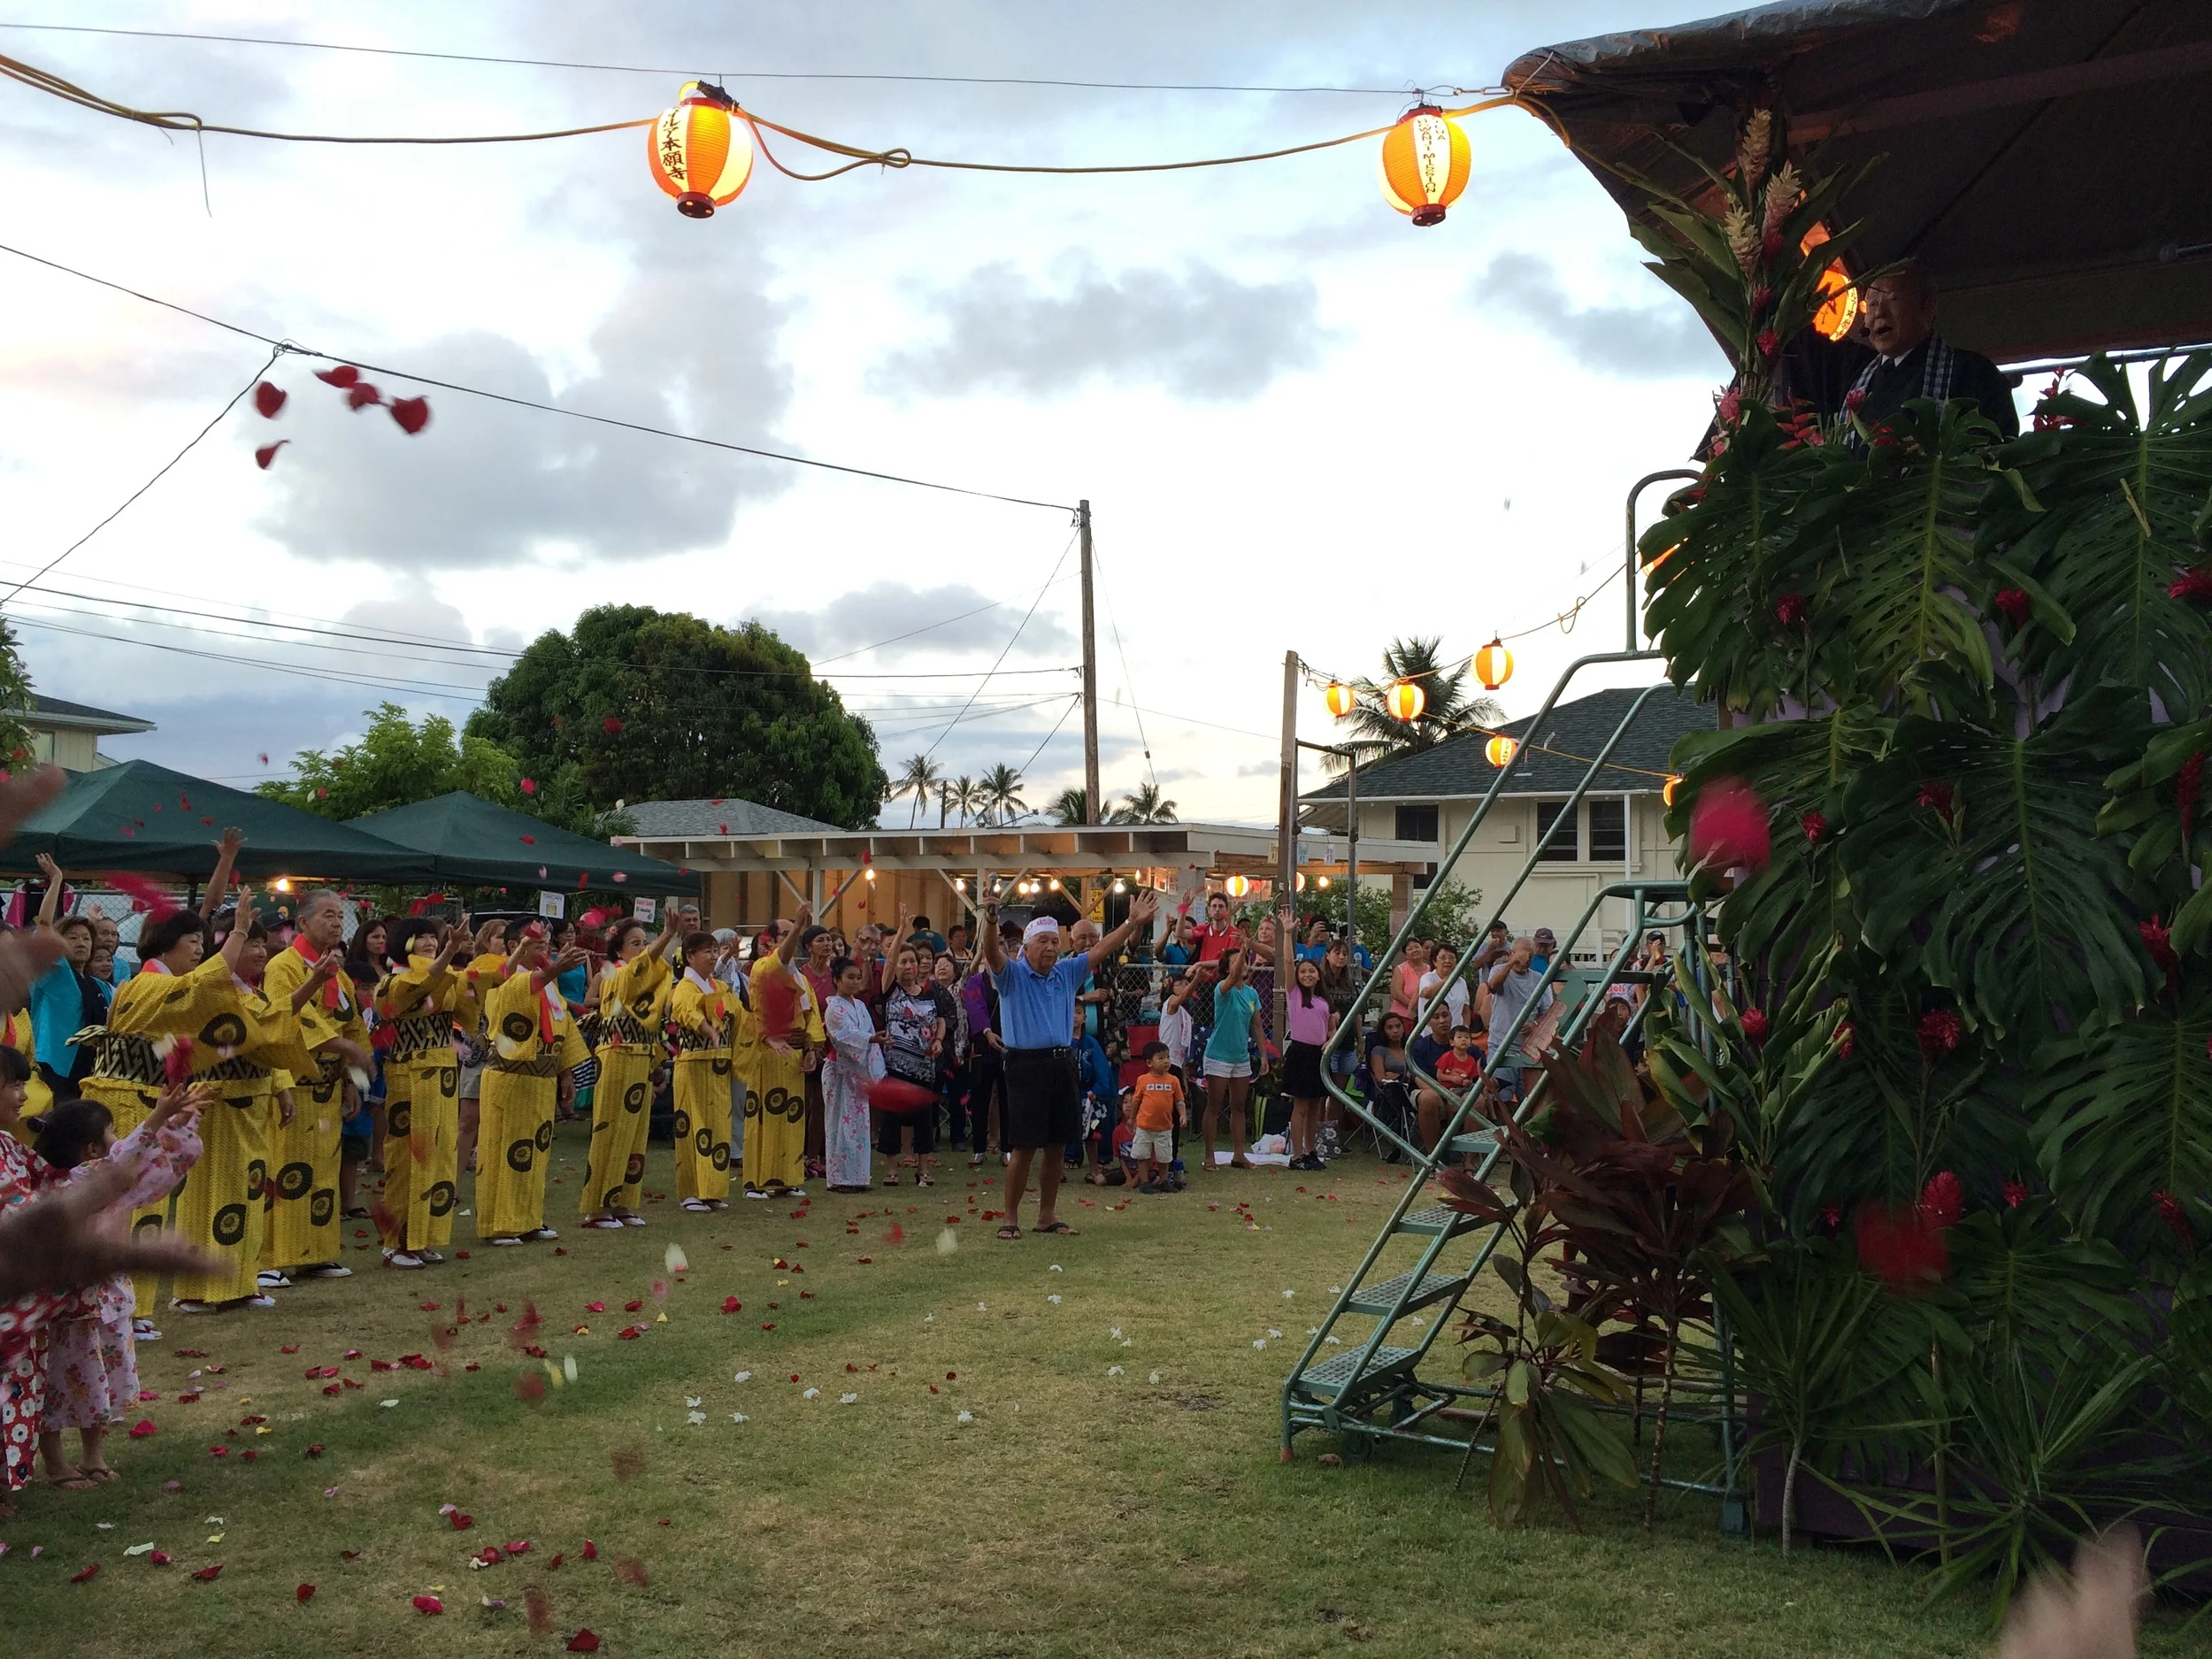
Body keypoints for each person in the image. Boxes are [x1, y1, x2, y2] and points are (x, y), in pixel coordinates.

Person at [2, 1073, 206, 1508]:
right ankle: (56, 1463)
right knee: (55, 1387)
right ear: (91, 1151)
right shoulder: (70, 1185)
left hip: (103, 1304)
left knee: (98, 1384)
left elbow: (143, 1160)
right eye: (110, 1134)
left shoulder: (79, 1179)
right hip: (64, 1310)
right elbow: (128, 1157)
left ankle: (93, 1455)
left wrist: (175, 1123)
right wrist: (159, 1119)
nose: (117, 1141)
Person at [77, 902, 257, 1321]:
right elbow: (204, 985)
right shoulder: (149, 984)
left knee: (131, 1204)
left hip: (138, 1096)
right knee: (127, 1205)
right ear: (165, 943)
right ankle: (124, 1309)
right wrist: (238, 933)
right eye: (192, 941)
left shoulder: (147, 985)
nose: (200, 949)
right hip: (128, 1098)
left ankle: (125, 1307)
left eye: (202, 941)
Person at [984, 888, 1158, 1239]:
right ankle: (1010, 1217)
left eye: (1054, 941)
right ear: (1026, 947)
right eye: (1043, 942)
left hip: (1062, 1063)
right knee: (1024, 1147)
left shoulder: (1066, 971)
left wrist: (1130, 922)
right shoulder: (1012, 975)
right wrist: (990, 919)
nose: (1050, 948)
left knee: (1057, 1145)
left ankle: (1047, 1216)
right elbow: (991, 952)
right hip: (1025, 1066)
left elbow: (1100, 949)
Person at [260, 891, 370, 1286]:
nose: (337, 922)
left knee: (322, 1171)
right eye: (328, 915)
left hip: (328, 1087)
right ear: (303, 923)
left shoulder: (338, 972)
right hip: (293, 1084)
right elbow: (290, 1019)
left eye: (340, 915)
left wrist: (351, 1079)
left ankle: (315, 1253)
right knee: (283, 1169)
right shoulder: (282, 967)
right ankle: (269, 1257)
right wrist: (345, 1048)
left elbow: (352, 1025)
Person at [474, 926, 590, 1245]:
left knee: (535, 1151)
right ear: (516, 945)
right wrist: (554, 970)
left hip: (541, 1080)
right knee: (505, 1150)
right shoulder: (500, 977)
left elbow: (563, 1026)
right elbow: (516, 994)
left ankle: (528, 1220)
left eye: (548, 944)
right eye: (540, 944)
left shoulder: (548, 984)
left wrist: (566, 1073)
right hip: (510, 1078)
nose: (547, 949)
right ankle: (499, 1224)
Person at [373, 918, 469, 1270]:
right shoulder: (391, 983)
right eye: (421, 937)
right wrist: (451, 949)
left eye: (432, 936)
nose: (429, 942)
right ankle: (396, 1242)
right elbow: (423, 984)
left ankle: (423, 1236)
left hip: (442, 1072)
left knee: (439, 1154)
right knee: (408, 1157)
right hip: (410, 1073)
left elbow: (467, 1000)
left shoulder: (445, 976)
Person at [580, 914, 680, 1231]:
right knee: (611, 1131)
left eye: (644, 943)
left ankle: (622, 1201)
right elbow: (642, 966)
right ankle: (598, 1207)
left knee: (635, 1133)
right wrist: (666, 935)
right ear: (618, 950)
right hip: (618, 1055)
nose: (642, 949)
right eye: (635, 943)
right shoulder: (616, 974)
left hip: (639, 1055)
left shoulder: (635, 975)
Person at [1846, 260, 2019, 442]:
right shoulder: (1858, 377)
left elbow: (2000, 444)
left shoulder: (1973, 372)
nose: (1879, 313)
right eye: (1872, 304)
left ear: (1928, 307)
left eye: (1892, 299)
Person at [739, 907, 821, 1201]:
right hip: (769, 1051)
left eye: (793, 933)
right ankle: (756, 1181)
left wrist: (811, 1048)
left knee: (792, 1117)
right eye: (785, 935)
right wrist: (799, 926)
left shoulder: (800, 977)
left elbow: (811, 1013)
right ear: (769, 942)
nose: (792, 939)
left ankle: (788, 1178)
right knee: (764, 1116)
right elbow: (757, 1007)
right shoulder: (763, 967)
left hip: (794, 1053)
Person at [670, 930, 738, 1211]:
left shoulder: (718, 986)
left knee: (718, 1127)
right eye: (706, 951)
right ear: (690, 957)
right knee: (692, 1126)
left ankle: (711, 1190)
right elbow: (686, 1011)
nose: (712, 956)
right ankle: (690, 1191)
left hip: (718, 1066)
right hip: (693, 1065)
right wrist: (707, 1029)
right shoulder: (684, 987)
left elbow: (738, 1015)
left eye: (714, 950)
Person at [878, 944, 945, 1187]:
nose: (909, 966)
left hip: (924, 1065)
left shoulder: (930, 992)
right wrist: (902, 930)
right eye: (903, 962)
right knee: (892, 1118)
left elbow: (940, 1019)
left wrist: (938, 1040)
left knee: (924, 1120)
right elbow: (888, 964)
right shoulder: (890, 990)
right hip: (895, 1065)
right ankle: (892, 1169)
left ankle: (923, 1169)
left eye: (912, 961)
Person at [1196, 946, 1266, 1172]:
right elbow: (1234, 977)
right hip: (1218, 1055)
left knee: (1239, 1106)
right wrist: (1245, 947)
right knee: (1214, 1105)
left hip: (1241, 1056)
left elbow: (1257, 1025)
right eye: (1236, 961)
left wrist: (1264, 1055)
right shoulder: (1222, 989)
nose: (1242, 964)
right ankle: (1209, 1156)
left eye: (1244, 960)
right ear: (1227, 968)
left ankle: (1239, 1154)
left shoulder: (1251, 994)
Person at [820, 956, 880, 1194]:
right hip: (839, 1071)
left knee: (859, 1124)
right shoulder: (834, 1008)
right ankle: (840, 1178)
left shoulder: (861, 1006)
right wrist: (871, 1039)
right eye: (850, 977)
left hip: (858, 1072)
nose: (855, 982)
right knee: (839, 1122)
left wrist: (874, 1048)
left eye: (858, 978)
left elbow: (866, 1033)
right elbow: (844, 1036)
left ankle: (858, 1176)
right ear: (837, 980)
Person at [1485, 934, 1554, 1110]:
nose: (1525, 961)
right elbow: (1493, 986)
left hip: (1530, 1050)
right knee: (1500, 1098)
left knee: (1532, 1102)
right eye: (1522, 956)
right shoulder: (1499, 970)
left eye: (1530, 956)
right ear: (1511, 953)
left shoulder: (1539, 978)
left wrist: (1535, 1025)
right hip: (1501, 1046)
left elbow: (1548, 1012)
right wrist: (1511, 963)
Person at [1282, 956, 1331, 1171]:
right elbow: (1287, 962)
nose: (1307, 975)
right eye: (1302, 972)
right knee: (1300, 1107)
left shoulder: (1322, 1001)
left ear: (1318, 975)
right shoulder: (1294, 994)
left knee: (1314, 1107)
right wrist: (1287, 938)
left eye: (1311, 971)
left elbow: (1330, 1027)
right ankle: (1297, 1155)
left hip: (1318, 1055)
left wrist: (1330, 1040)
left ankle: (1310, 1151)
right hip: (1300, 1053)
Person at [1126, 1040, 1185, 1193]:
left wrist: (1183, 1114)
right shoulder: (1143, 1080)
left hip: (1164, 1127)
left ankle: (1164, 1181)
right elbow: (1136, 1101)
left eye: (1168, 1057)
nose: (1166, 1061)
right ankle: (1145, 1182)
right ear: (1149, 1063)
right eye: (1161, 1058)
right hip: (1144, 1126)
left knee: (1164, 1156)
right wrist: (1132, 1118)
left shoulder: (1173, 1080)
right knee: (1142, 1155)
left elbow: (1179, 1100)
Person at [1363, 1011, 1415, 1157]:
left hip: (1412, 1088)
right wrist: (1401, 1076)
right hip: (1388, 1092)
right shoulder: (1379, 1050)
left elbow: (1416, 1073)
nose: (1395, 1030)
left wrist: (1395, 1075)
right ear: (1384, 1031)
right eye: (1390, 1028)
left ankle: (1402, 1134)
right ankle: (1400, 1134)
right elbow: (1380, 1077)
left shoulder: (1410, 1050)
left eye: (1398, 1026)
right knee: (1394, 1090)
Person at [1419, 941, 1470, 1030]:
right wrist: (1447, 979)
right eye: (1443, 958)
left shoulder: (1461, 982)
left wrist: (1466, 1027)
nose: (1447, 961)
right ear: (1435, 962)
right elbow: (1427, 994)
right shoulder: (1427, 978)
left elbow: (1465, 1010)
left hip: (1455, 1034)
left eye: (1451, 958)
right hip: (1431, 1034)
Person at [1390, 938, 1430, 1025]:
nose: (1415, 950)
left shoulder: (1430, 969)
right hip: (1403, 1017)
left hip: (1427, 1016)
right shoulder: (1400, 969)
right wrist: (1416, 1008)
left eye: (1417, 947)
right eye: (1410, 949)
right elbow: (1397, 994)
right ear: (1406, 955)